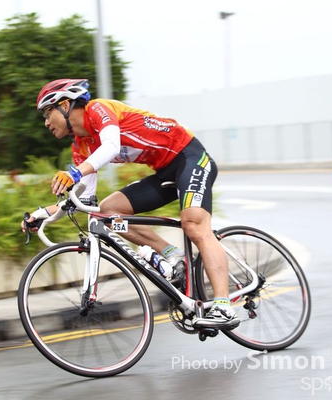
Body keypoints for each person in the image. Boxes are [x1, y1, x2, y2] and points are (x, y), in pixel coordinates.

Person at [21, 78, 239, 330]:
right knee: (107, 211)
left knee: (194, 225)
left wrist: (75, 173)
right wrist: (44, 214)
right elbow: (84, 200)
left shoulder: (98, 109)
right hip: (165, 172)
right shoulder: (81, 145)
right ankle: (174, 256)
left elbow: (111, 146)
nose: (46, 122)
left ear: (66, 105)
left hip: (190, 157)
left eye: (48, 112)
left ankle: (223, 306)